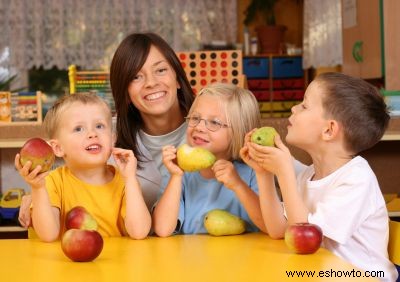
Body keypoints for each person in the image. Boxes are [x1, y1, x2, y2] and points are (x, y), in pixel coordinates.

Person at [18, 32, 195, 227]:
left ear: (177, 78)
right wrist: (38, 193)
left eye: (160, 70)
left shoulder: (210, 127)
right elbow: (75, 164)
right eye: (136, 76)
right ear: (125, 92)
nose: (151, 83)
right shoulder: (106, 131)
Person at [241, 72, 397, 282]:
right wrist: (264, 174)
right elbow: (278, 230)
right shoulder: (309, 175)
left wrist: (285, 172)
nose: (294, 108)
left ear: (329, 130)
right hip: (320, 273)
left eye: (304, 106)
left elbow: (306, 242)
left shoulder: (357, 179)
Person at [15, 93, 151, 241]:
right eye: (79, 129)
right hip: (66, 263)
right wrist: (38, 188)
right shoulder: (52, 182)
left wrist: (131, 179)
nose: (92, 134)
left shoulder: (125, 181)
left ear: (112, 139)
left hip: (115, 263)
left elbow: (139, 232)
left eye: (99, 126)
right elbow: (48, 235)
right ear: (58, 148)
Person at [152, 83, 267, 237]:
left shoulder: (255, 172)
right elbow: (162, 229)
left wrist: (238, 185)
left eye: (214, 122)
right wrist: (176, 176)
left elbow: (269, 225)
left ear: (239, 131)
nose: (199, 127)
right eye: (195, 118)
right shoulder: (178, 173)